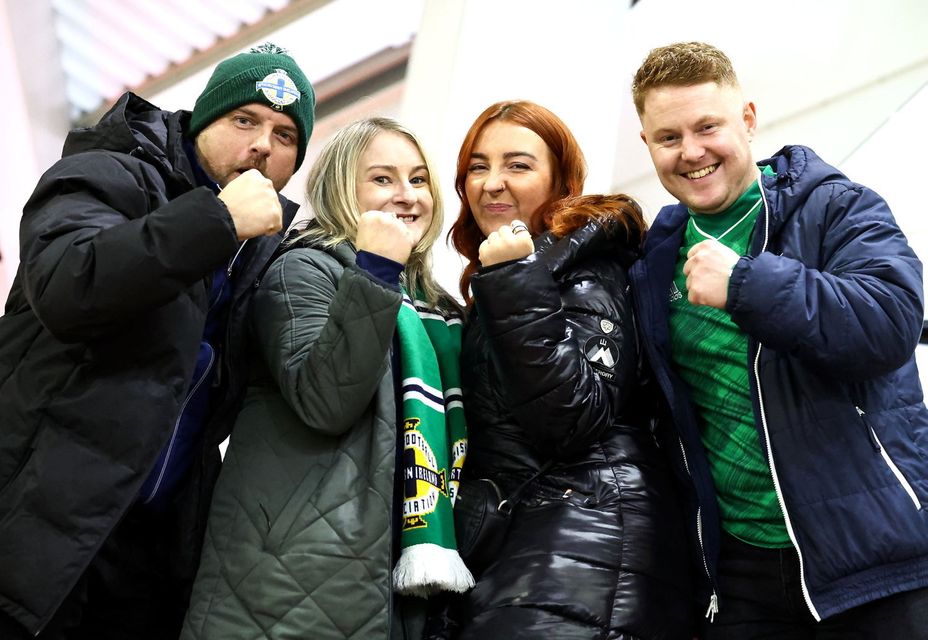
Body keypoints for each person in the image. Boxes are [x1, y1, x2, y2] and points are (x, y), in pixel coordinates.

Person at [0, 43, 315, 639]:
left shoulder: (261, 256)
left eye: (285, 135)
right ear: (200, 121)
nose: (262, 147)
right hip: (31, 530)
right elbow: (70, 283)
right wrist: (217, 221)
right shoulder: (108, 171)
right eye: (243, 120)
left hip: (142, 557)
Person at [629, 41, 928, 638]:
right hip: (743, 576)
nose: (691, 152)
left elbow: (891, 322)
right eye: (668, 138)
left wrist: (744, 283)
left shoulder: (835, 206)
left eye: (707, 127)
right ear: (646, 144)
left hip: (877, 558)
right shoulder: (655, 256)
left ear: (747, 119)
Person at [181, 117, 474, 640]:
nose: (407, 196)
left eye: (418, 179)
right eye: (382, 179)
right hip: (291, 582)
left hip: (395, 585)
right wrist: (376, 270)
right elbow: (325, 400)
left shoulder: (440, 312)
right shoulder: (304, 270)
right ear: (342, 188)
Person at [444, 100, 693, 638]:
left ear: (561, 181)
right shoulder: (515, 275)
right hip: (543, 532)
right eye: (478, 166)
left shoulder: (587, 270)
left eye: (518, 165)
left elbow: (573, 416)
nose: (491, 183)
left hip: (587, 535)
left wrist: (513, 277)